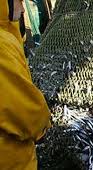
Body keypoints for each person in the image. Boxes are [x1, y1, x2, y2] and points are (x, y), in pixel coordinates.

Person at [0, 0, 51, 169]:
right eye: (17, 2)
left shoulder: (7, 35)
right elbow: (23, 110)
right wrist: (42, 125)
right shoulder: (1, 46)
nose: (23, 9)